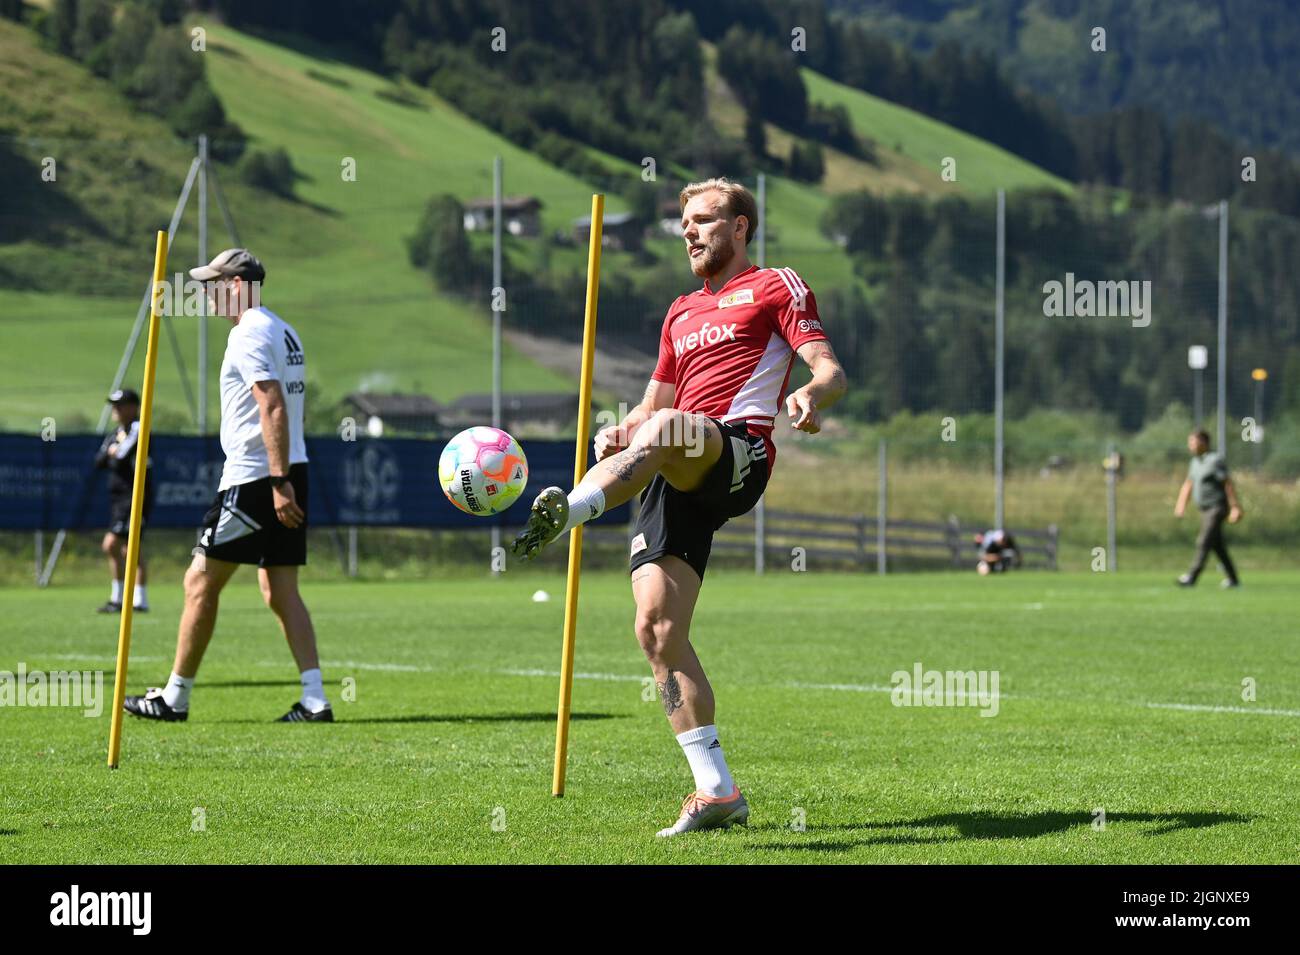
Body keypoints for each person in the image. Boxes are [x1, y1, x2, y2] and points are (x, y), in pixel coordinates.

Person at [512, 178, 847, 836]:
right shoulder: (679, 312)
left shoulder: (777, 285)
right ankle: (717, 790)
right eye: (684, 223)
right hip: (670, 458)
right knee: (657, 632)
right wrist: (620, 429)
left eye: (703, 220)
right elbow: (650, 407)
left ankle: (570, 510)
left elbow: (829, 368)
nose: (689, 232)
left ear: (741, 226)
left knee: (666, 433)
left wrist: (812, 395)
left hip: (735, 451)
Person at [124, 248, 332, 723]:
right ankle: (316, 699)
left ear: (237, 285)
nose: (205, 294)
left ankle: (174, 698)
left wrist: (277, 482)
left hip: (259, 477)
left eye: (212, 284)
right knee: (280, 588)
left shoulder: (249, 333)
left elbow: (272, 405)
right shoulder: (284, 329)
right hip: (288, 469)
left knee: (199, 581)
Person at [94, 388, 153, 613]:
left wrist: (113, 452)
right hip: (118, 498)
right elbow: (99, 461)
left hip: (135, 496)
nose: (115, 410)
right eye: (114, 405)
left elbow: (120, 457)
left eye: (120, 405)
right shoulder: (116, 432)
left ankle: (133, 599)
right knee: (126, 549)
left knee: (118, 546)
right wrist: (112, 451)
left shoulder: (139, 428)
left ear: (133, 407)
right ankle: (124, 599)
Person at [1174, 428, 1242, 588]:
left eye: (1193, 441)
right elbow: (1188, 484)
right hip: (1204, 510)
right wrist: (1181, 505)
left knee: (1204, 541)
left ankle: (1191, 577)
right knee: (1217, 546)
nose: (1190, 445)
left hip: (1217, 508)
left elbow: (1227, 484)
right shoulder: (1195, 462)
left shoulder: (1214, 460)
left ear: (1204, 442)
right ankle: (1233, 580)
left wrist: (1235, 507)